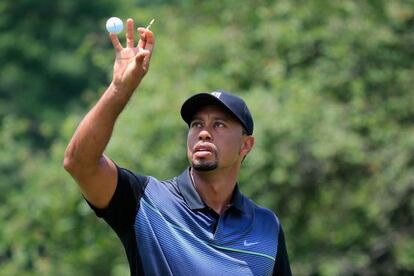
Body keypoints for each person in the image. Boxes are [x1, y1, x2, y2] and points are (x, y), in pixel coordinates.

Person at [64, 18, 292, 276]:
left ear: (246, 145)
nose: (203, 133)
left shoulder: (267, 226)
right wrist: (119, 89)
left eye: (219, 125)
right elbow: (79, 162)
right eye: (196, 124)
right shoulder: (146, 202)